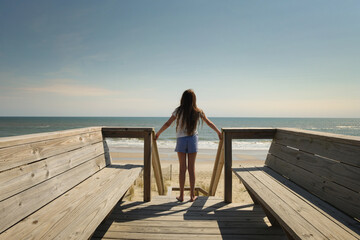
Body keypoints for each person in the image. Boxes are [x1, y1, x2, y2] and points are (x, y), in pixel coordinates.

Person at [155, 89, 222, 202]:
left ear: (183, 99)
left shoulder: (178, 111)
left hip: (181, 140)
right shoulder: (198, 111)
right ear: (194, 99)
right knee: (191, 169)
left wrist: (158, 133)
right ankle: (191, 196)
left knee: (182, 168)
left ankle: (181, 196)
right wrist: (218, 132)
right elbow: (209, 123)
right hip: (192, 140)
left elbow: (167, 123)